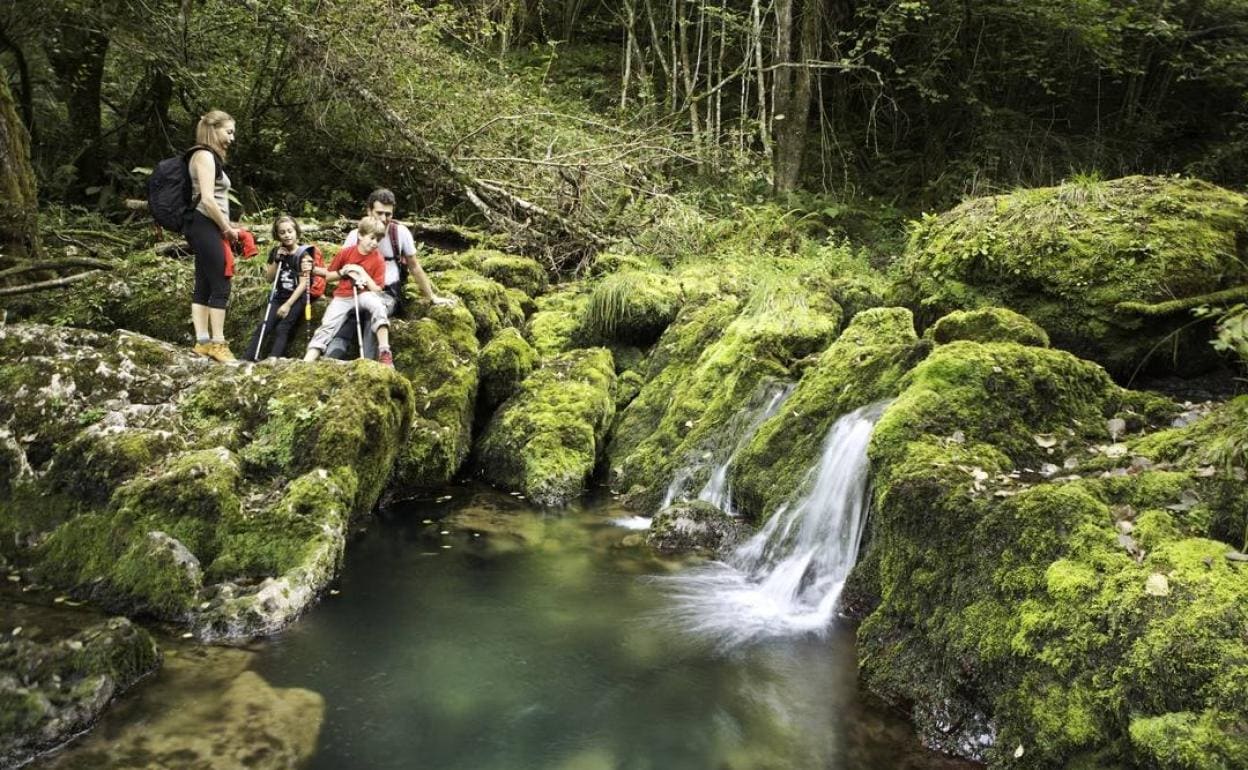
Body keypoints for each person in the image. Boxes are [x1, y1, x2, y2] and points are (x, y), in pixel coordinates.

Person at [326, 188, 454, 359]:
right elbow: (340, 268)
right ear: (369, 211)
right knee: (349, 314)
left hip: (387, 292)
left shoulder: (399, 233)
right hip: (357, 290)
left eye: (389, 214)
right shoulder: (354, 235)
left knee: (373, 313)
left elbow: (414, 266)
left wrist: (432, 297)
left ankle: (369, 362)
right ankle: (331, 357)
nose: (384, 219)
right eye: (379, 213)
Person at [303, 215, 397, 367]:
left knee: (378, 306)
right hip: (343, 296)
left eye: (378, 240)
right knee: (327, 325)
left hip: (364, 294)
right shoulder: (346, 253)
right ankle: (307, 361)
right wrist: (344, 272)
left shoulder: (378, 259)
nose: (374, 243)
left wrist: (361, 272)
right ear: (360, 235)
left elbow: (377, 289)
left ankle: (385, 351)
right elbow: (328, 276)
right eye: (372, 238)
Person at [186, 110, 241, 362]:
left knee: (204, 282)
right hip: (205, 224)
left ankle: (202, 342)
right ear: (213, 129)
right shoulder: (204, 156)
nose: (231, 138)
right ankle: (218, 343)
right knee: (221, 282)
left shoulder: (205, 156)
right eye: (228, 132)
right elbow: (208, 199)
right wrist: (227, 229)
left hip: (204, 225)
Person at [241, 215, 318, 361]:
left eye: (290, 231)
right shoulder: (276, 252)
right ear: (277, 235)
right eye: (282, 232)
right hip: (279, 295)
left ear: (296, 232)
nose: (287, 235)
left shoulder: (303, 254)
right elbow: (269, 278)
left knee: (283, 328)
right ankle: (248, 358)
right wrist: (277, 260)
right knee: (264, 326)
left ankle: (274, 358)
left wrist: (288, 305)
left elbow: (304, 283)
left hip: (296, 298)